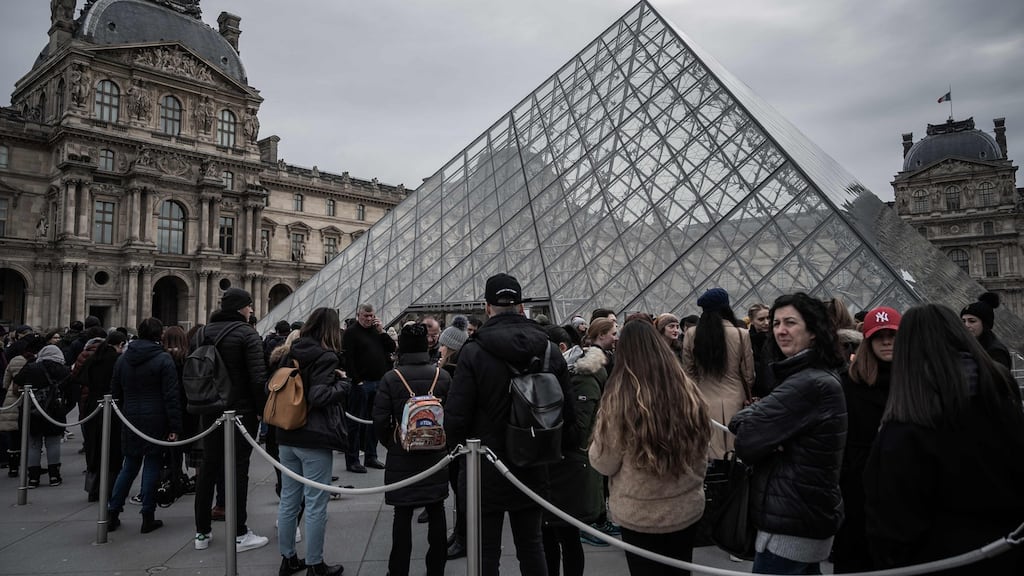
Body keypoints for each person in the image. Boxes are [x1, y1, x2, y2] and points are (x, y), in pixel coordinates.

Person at [864, 304, 1024, 575]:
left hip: (938, 562)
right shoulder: (1002, 394)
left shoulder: (906, 424)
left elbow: (890, 526)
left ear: (907, 351)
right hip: (1008, 550)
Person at [445, 273, 575, 576]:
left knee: (486, 550)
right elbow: (568, 415)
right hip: (533, 460)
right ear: (520, 306)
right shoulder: (549, 349)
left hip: (485, 467)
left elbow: (456, 417)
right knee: (532, 546)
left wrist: (456, 451)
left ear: (487, 306)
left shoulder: (473, 350)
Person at [728, 292, 847, 574]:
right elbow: (746, 423)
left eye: (790, 322)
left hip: (790, 520)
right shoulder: (817, 374)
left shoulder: (806, 384)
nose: (780, 330)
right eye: (776, 322)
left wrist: (764, 432)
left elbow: (746, 441)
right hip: (805, 512)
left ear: (814, 331)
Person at [589, 320, 711, 576]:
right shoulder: (688, 391)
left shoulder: (619, 400)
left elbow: (604, 462)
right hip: (685, 507)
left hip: (640, 514)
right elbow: (703, 450)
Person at [192, 287, 269, 553]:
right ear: (240, 308)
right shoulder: (247, 334)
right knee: (238, 470)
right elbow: (258, 379)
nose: (251, 311)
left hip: (209, 409)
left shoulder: (202, 332)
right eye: (249, 306)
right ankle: (239, 533)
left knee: (208, 468)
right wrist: (262, 410)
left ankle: (202, 533)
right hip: (240, 411)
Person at [274, 308, 349, 576]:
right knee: (316, 502)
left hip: (286, 433)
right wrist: (343, 384)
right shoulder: (326, 356)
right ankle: (315, 564)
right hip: (313, 436)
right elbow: (319, 395)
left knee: (289, 499)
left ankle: (289, 559)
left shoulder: (290, 351)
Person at [373, 323, 452, 576]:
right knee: (437, 510)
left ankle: (398, 571)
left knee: (402, 515)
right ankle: (436, 570)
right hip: (436, 456)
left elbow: (379, 420)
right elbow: (453, 416)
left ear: (401, 347)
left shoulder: (391, 378)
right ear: (425, 346)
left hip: (402, 456)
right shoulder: (442, 376)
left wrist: (395, 443)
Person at [832, 306, 900, 573]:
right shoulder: (845, 383)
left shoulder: (916, 380)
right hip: (857, 488)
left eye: (891, 335)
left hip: (899, 487)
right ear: (867, 340)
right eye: (878, 335)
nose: (886, 341)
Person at [106, 318, 181, 533]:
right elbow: (171, 396)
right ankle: (147, 515)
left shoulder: (123, 359)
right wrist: (175, 426)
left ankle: (113, 511)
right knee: (152, 464)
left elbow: (115, 392)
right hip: (156, 418)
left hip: (130, 416)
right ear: (159, 335)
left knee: (129, 465)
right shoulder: (163, 359)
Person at [544, 323, 609, 570]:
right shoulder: (570, 374)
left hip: (571, 468)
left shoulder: (582, 379)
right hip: (560, 466)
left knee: (567, 538)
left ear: (561, 348)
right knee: (550, 536)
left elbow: (578, 432)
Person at [682, 288, 754, 459]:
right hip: (735, 397)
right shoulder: (741, 333)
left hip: (703, 396)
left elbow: (688, 370)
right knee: (734, 450)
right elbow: (748, 373)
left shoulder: (692, 334)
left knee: (708, 449)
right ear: (726, 307)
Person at [341, 303, 395, 473]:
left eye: (371, 316)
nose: (369, 319)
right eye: (366, 316)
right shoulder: (351, 333)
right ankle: (353, 460)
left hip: (378, 381)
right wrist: (357, 380)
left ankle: (371, 456)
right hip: (361, 383)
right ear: (359, 315)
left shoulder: (376, 331)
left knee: (374, 422)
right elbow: (347, 358)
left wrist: (382, 331)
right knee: (355, 423)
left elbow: (392, 348)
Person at [14, 343, 69, 488]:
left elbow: (18, 380)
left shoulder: (32, 366)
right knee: (53, 442)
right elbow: (71, 388)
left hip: (33, 409)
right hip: (54, 409)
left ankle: (33, 477)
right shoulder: (63, 369)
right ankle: (54, 476)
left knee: (33, 443)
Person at [81, 331, 127, 502]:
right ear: (120, 345)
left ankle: (93, 489)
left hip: (94, 405)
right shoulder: (118, 360)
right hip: (113, 405)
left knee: (95, 448)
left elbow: (80, 378)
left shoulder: (93, 359)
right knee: (113, 450)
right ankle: (110, 489)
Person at [960, 292, 1012, 370]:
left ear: (985, 324)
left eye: (972, 321)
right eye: (963, 321)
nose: (966, 325)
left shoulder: (996, 352)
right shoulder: (966, 347)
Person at [747, 303, 773, 398]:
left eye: (769, 318)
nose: (766, 322)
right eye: (761, 319)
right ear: (752, 321)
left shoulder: (779, 339)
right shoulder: (746, 341)